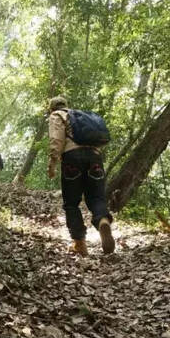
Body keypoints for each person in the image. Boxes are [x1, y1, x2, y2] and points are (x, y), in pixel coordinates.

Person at [47, 96, 115, 256]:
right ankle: (103, 221)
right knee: (97, 198)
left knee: (71, 203)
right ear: (66, 104)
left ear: (52, 108)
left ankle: (79, 243)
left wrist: (52, 164)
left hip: (72, 159)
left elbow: (56, 140)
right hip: (95, 157)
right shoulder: (80, 115)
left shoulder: (57, 115)